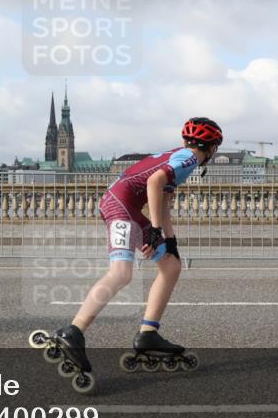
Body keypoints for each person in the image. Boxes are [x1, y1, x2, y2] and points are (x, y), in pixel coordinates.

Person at [52, 117, 223, 371]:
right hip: (118, 205)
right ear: (211, 147)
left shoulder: (180, 155)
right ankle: (73, 331)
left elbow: (163, 199)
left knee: (171, 265)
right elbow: (154, 182)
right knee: (121, 273)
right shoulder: (189, 158)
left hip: (129, 207)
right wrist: (154, 229)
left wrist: (170, 240)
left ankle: (148, 334)